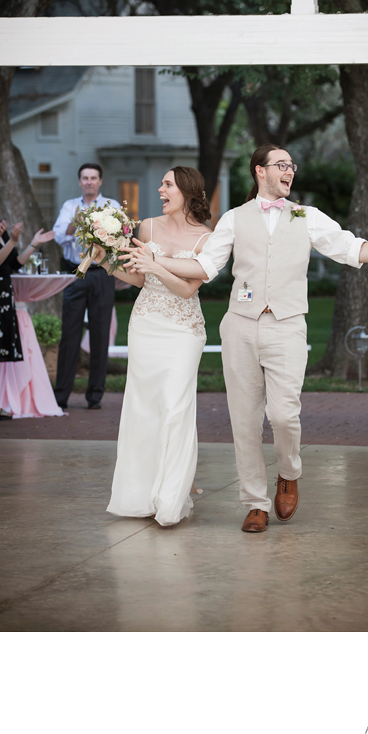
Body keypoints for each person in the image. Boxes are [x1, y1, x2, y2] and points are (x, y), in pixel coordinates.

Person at [122, 144, 368, 533]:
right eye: (281, 165)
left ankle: (289, 472)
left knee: (284, 415)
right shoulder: (234, 219)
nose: (289, 171)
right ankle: (255, 503)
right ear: (260, 172)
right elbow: (203, 265)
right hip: (240, 326)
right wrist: (157, 261)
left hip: (287, 326)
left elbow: (354, 248)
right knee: (244, 421)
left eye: (292, 166)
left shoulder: (307, 216)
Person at [105, 167, 212, 527]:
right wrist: (107, 260)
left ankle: (170, 498)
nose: (160, 190)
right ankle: (139, 495)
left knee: (175, 407)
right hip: (146, 322)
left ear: (186, 190)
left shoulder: (205, 239)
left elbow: (186, 289)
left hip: (184, 329)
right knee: (144, 406)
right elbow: (139, 277)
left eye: (167, 185)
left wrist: (156, 264)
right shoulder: (147, 227)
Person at [52, 164, 119, 410]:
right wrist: (76, 222)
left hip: (101, 274)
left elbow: (118, 238)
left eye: (93, 178)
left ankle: (95, 396)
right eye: (85, 178)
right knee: (69, 334)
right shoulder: (70, 206)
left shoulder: (112, 205)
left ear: (100, 181)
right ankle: (61, 396)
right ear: (80, 182)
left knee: (101, 334)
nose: (89, 182)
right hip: (75, 273)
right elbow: (59, 236)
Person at [0, 191, 56, 421]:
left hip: (3, 296)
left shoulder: (1, 231)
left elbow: (13, 263)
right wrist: (13, 240)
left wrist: (33, 243)